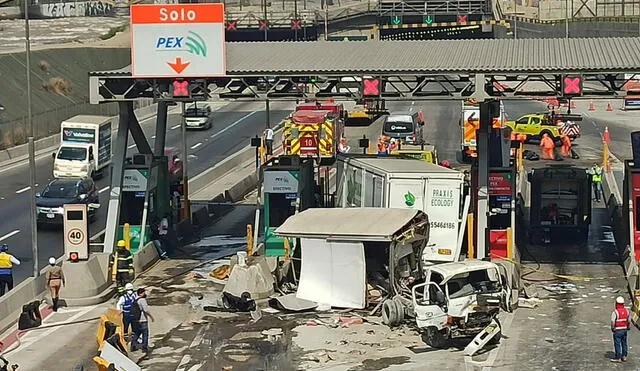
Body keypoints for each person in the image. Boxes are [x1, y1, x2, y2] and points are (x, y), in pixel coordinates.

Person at [131, 287, 154, 353]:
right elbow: (145, 310)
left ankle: (133, 345)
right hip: (143, 320)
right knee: (145, 334)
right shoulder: (142, 300)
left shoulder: (135, 299)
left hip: (135, 320)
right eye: (144, 292)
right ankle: (144, 348)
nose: (145, 293)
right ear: (141, 293)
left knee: (137, 333)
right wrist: (151, 317)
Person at [611, 296, 631, 362]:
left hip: (617, 330)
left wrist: (613, 328)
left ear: (616, 303)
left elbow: (613, 321)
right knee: (624, 343)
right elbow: (629, 320)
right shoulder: (627, 311)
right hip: (624, 330)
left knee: (617, 343)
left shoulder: (615, 312)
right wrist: (628, 326)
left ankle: (618, 357)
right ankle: (624, 356)